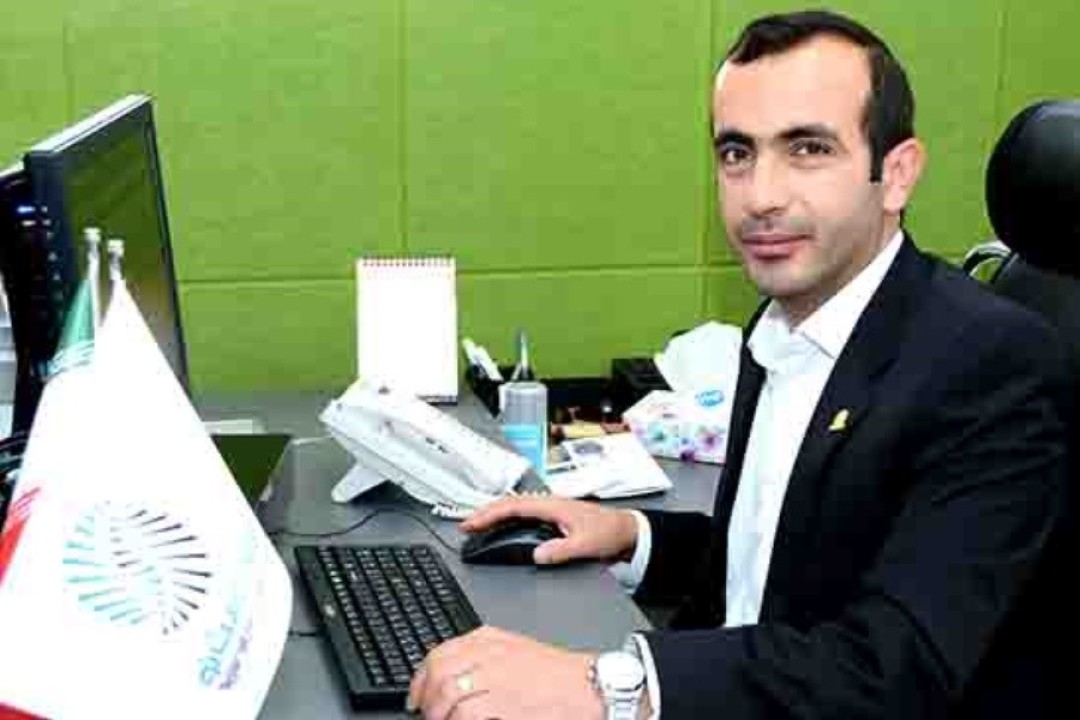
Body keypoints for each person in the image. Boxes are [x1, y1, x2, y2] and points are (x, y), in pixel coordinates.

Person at [408, 10, 1071, 719]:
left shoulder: (993, 365)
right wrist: (633, 537)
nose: (760, 196)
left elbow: (894, 667)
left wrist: (611, 686)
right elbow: (783, 565)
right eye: (737, 153)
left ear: (897, 174)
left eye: (808, 149)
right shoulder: (785, 322)